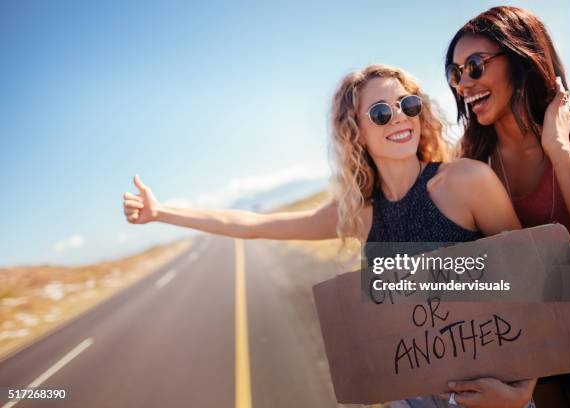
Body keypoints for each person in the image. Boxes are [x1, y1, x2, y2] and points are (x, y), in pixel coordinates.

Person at [123, 64, 534, 407]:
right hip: (411, 398)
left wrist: (523, 391)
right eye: (380, 113)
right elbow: (251, 226)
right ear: (355, 131)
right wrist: (161, 213)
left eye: (407, 104)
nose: (400, 118)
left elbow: (538, 281)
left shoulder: (466, 182)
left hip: (490, 393)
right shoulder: (359, 215)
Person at [445, 6, 570, 408]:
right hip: (526, 342)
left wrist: (558, 150)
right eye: (455, 72)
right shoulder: (473, 163)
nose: (464, 83)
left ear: (521, 58)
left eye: (475, 65)